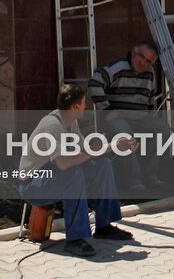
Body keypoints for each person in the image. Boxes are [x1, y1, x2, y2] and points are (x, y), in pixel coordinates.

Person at [19, 83, 134, 257]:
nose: (86, 105)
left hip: (54, 177)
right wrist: (92, 151)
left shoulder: (70, 123)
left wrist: (114, 146)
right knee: (73, 174)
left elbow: (85, 152)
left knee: (102, 166)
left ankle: (104, 227)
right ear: (75, 106)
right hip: (32, 185)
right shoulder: (52, 125)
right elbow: (63, 163)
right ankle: (75, 239)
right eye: (83, 102)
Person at [87, 41, 167, 195]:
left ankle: (150, 175)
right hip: (118, 119)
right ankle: (133, 181)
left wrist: (150, 116)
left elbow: (150, 99)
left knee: (162, 128)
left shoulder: (150, 73)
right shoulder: (117, 68)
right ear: (133, 53)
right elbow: (94, 83)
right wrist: (108, 110)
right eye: (141, 57)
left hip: (141, 119)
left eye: (149, 61)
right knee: (123, 131)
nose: (143, 63)